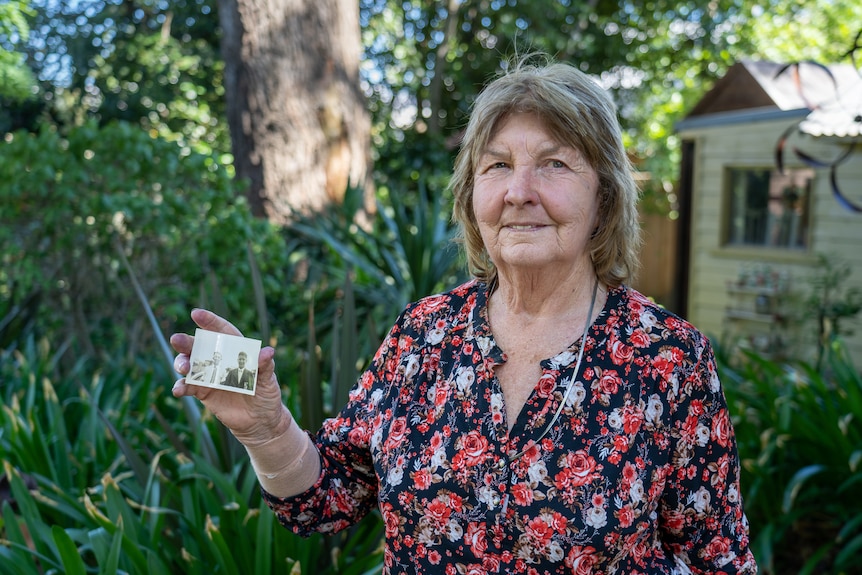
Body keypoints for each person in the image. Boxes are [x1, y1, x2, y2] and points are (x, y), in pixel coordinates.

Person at [170, 55, 757, 574]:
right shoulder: (423, 333)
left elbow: (718, 559)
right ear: (472, 196)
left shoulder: (668, 358)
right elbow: (326, 498)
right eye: (497, 166)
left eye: (554, 164)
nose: (518, 191)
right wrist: (266, 429)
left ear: (604, 196)